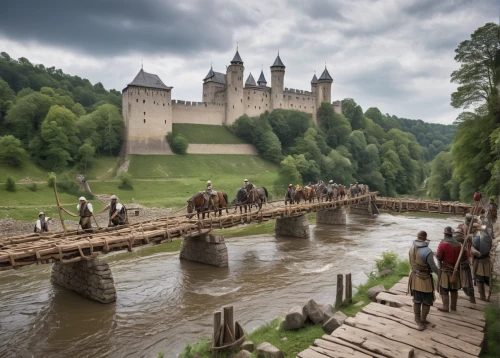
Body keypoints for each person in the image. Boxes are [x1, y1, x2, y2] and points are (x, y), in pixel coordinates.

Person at [408, 230, 439, 331]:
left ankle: (418, 319)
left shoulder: (411, 249)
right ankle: (422, 320)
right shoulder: (428, 251)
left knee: (417, 300)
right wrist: (440, 274)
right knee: (426, 301)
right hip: (425, 280)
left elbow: (410, 263)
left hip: (414, 278)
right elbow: (433, 267)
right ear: (425, 238)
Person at [436, 227, 462, 312]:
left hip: (446, 270)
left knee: (444, 288)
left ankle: (445, 307)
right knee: (454, 289)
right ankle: (453, 306)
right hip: (456, 269)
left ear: (445, 234)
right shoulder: (459, 245)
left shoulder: (442, 245)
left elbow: (439, 257)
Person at [453, 227, 475, 303]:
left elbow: (468, 259)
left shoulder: (465, 250)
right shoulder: (457, 248)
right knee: (455, 285)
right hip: (456, 267)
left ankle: (472, 300)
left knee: (467, 285)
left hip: (463, 267)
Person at [471, 225, 493, 301]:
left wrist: (475, 252)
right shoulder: (490, 239)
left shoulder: (476, 239)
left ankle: (482, 296)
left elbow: (473, 250)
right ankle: (489, 293)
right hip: (487, 260)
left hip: (480, 261)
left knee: (479, 279)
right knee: (487, 278)